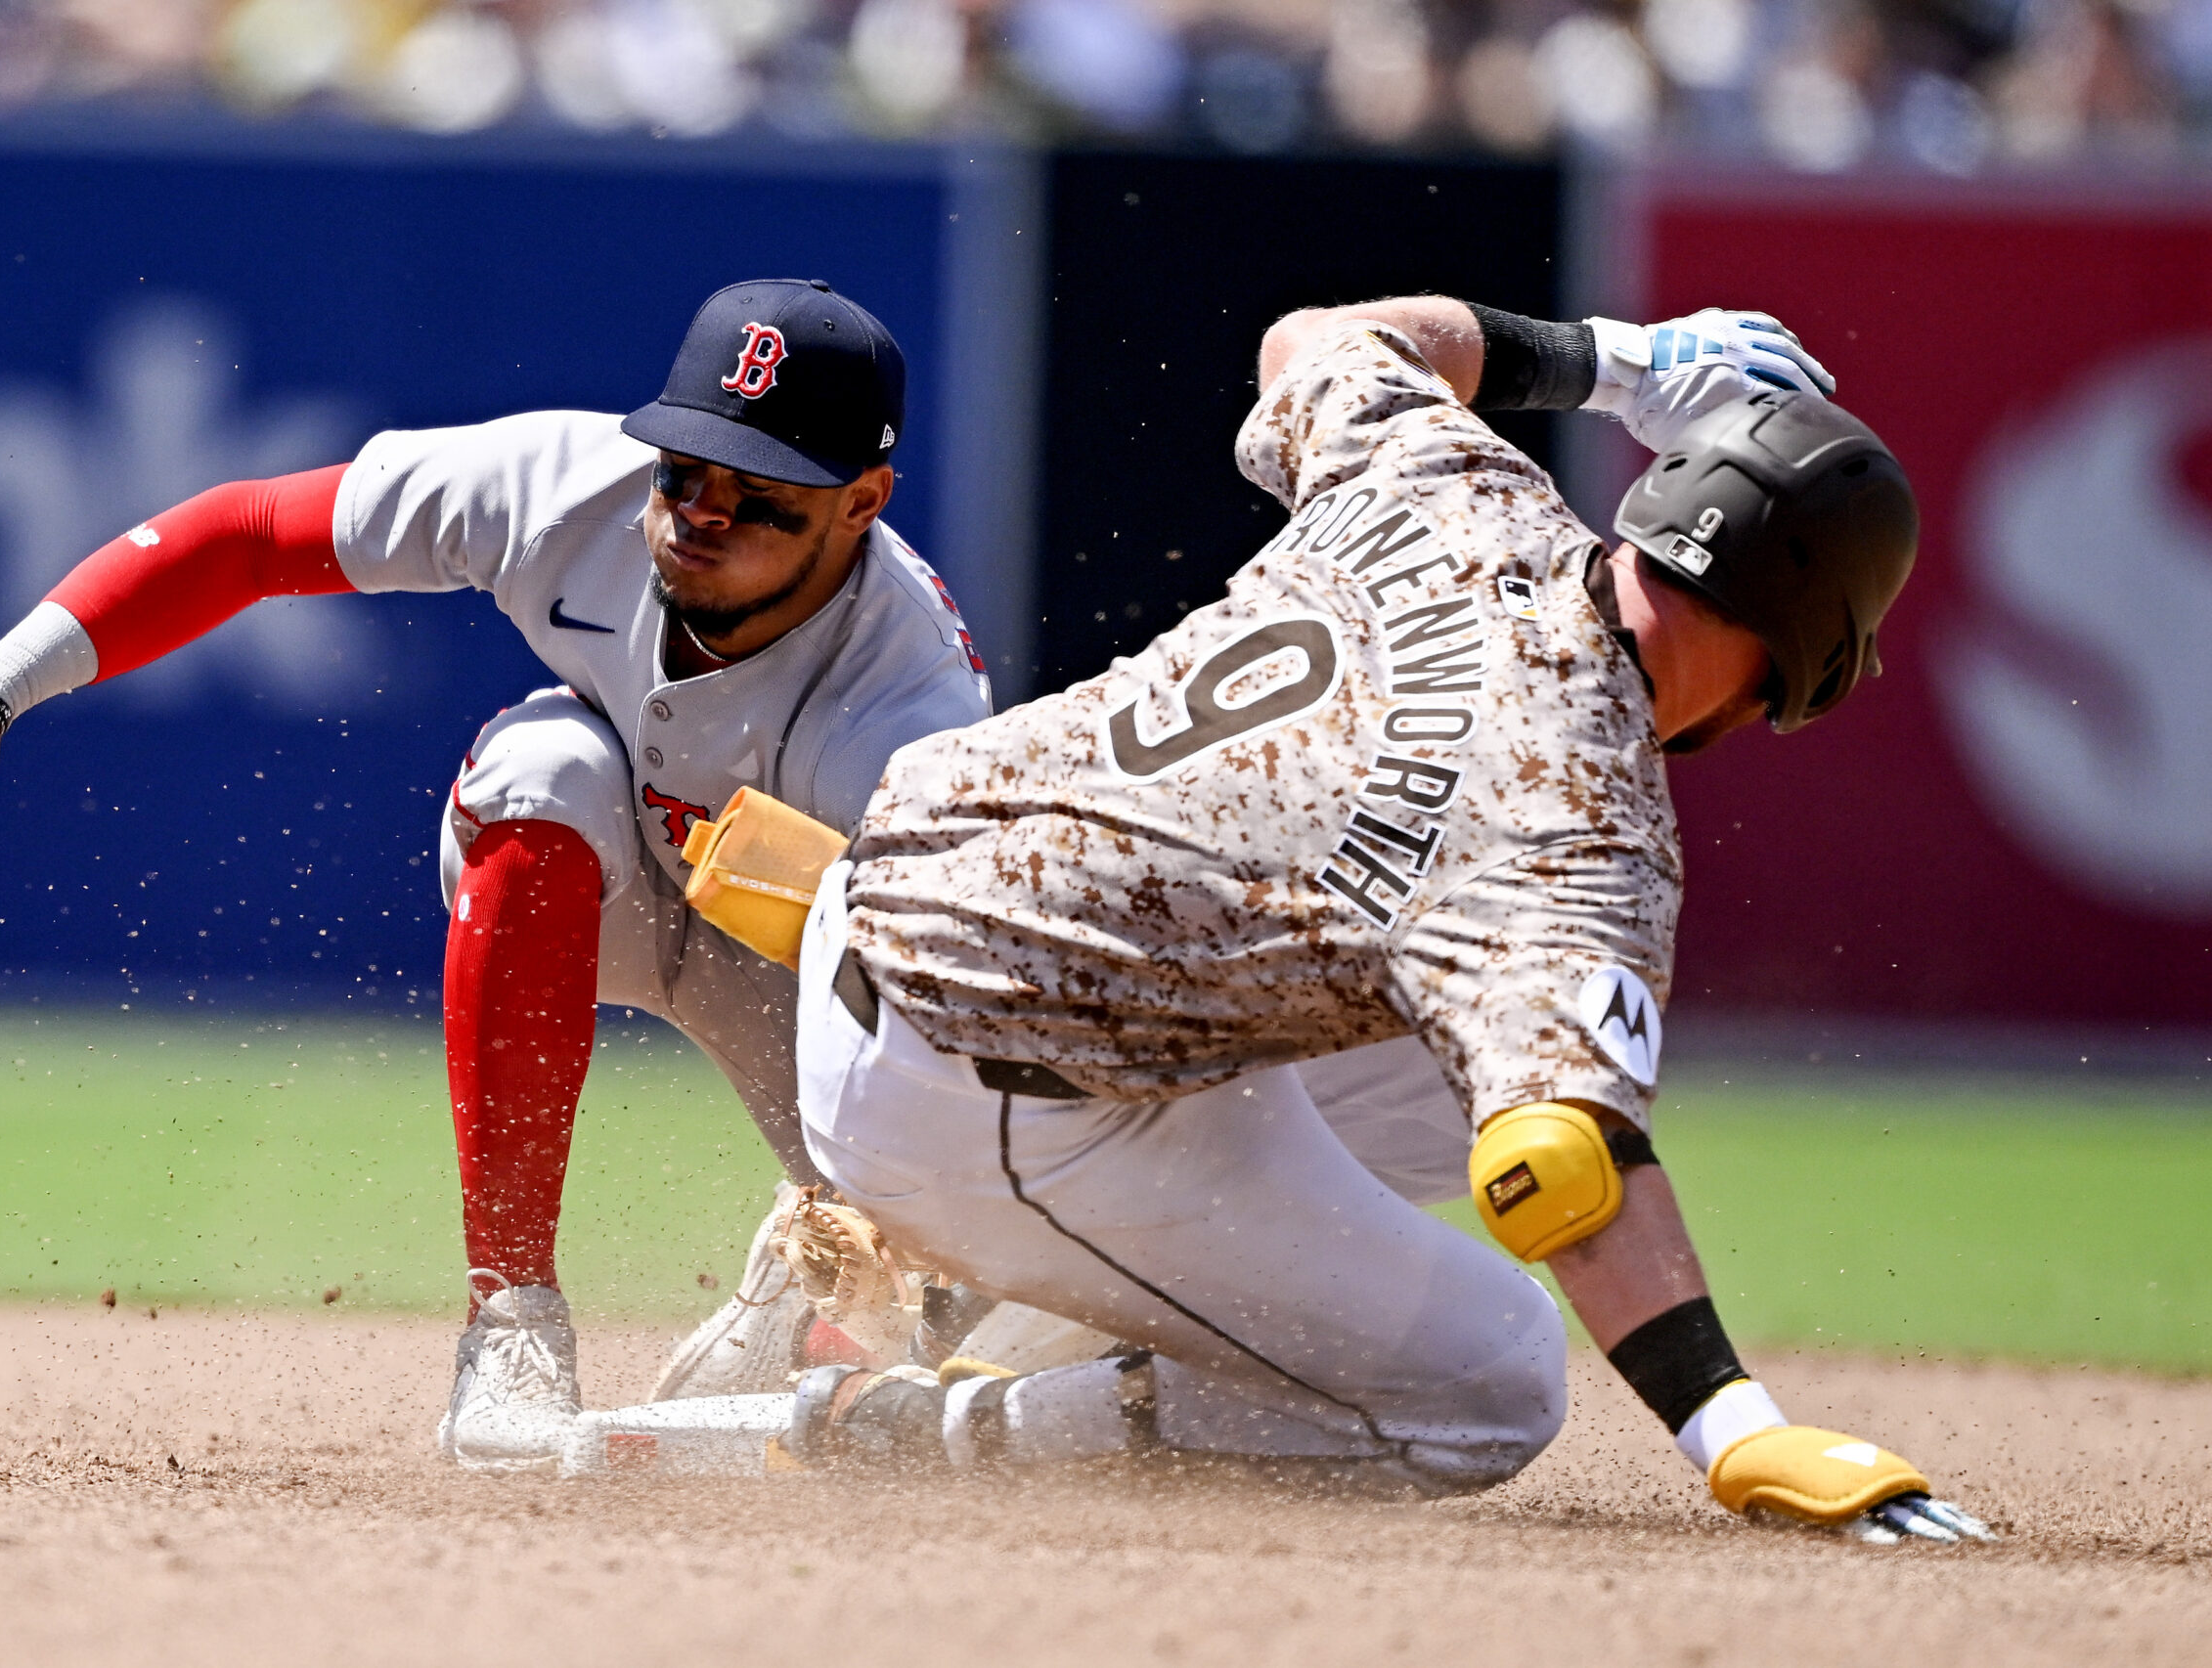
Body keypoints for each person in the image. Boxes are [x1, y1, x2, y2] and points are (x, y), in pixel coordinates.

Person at [769, 295, 1991, 1544]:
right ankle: (918, 1418)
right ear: (1800, 665)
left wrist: (1619, 363)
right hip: (966, 1100)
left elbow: (1313, 338)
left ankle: (965, 1289)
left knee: (1442, 1049)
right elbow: (1561, 1166)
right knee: (1488, 1384)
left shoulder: (1459, 478)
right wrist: (1729, 1420)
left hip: (879, 906)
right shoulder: (1577, 825)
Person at [0, 279, 993, 1471]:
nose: (700, 513)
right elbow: (243, 535)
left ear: (861, 504)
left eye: (757, 496)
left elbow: (942, 1018)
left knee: (953, 1274)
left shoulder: (910, 718)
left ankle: (803, 1252)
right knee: (541, 769)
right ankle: (511, 1320)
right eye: (684, 469)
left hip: (795, 953)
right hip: (603, 865)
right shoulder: (569, 483)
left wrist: (882, 1192)